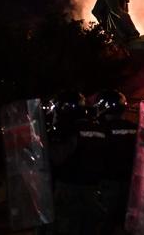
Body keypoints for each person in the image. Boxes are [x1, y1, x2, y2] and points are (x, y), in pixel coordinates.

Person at [48, 90, 106, 235]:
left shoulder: (68, 130)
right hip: (93, 189)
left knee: (66, 227)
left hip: (70, 188)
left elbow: (57, 158)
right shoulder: (98, 128)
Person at [94, 89, 137, 235]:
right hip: (132, 185)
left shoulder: (99, 128)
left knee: (105, 225)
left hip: (107, 184)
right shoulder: (134, 128)